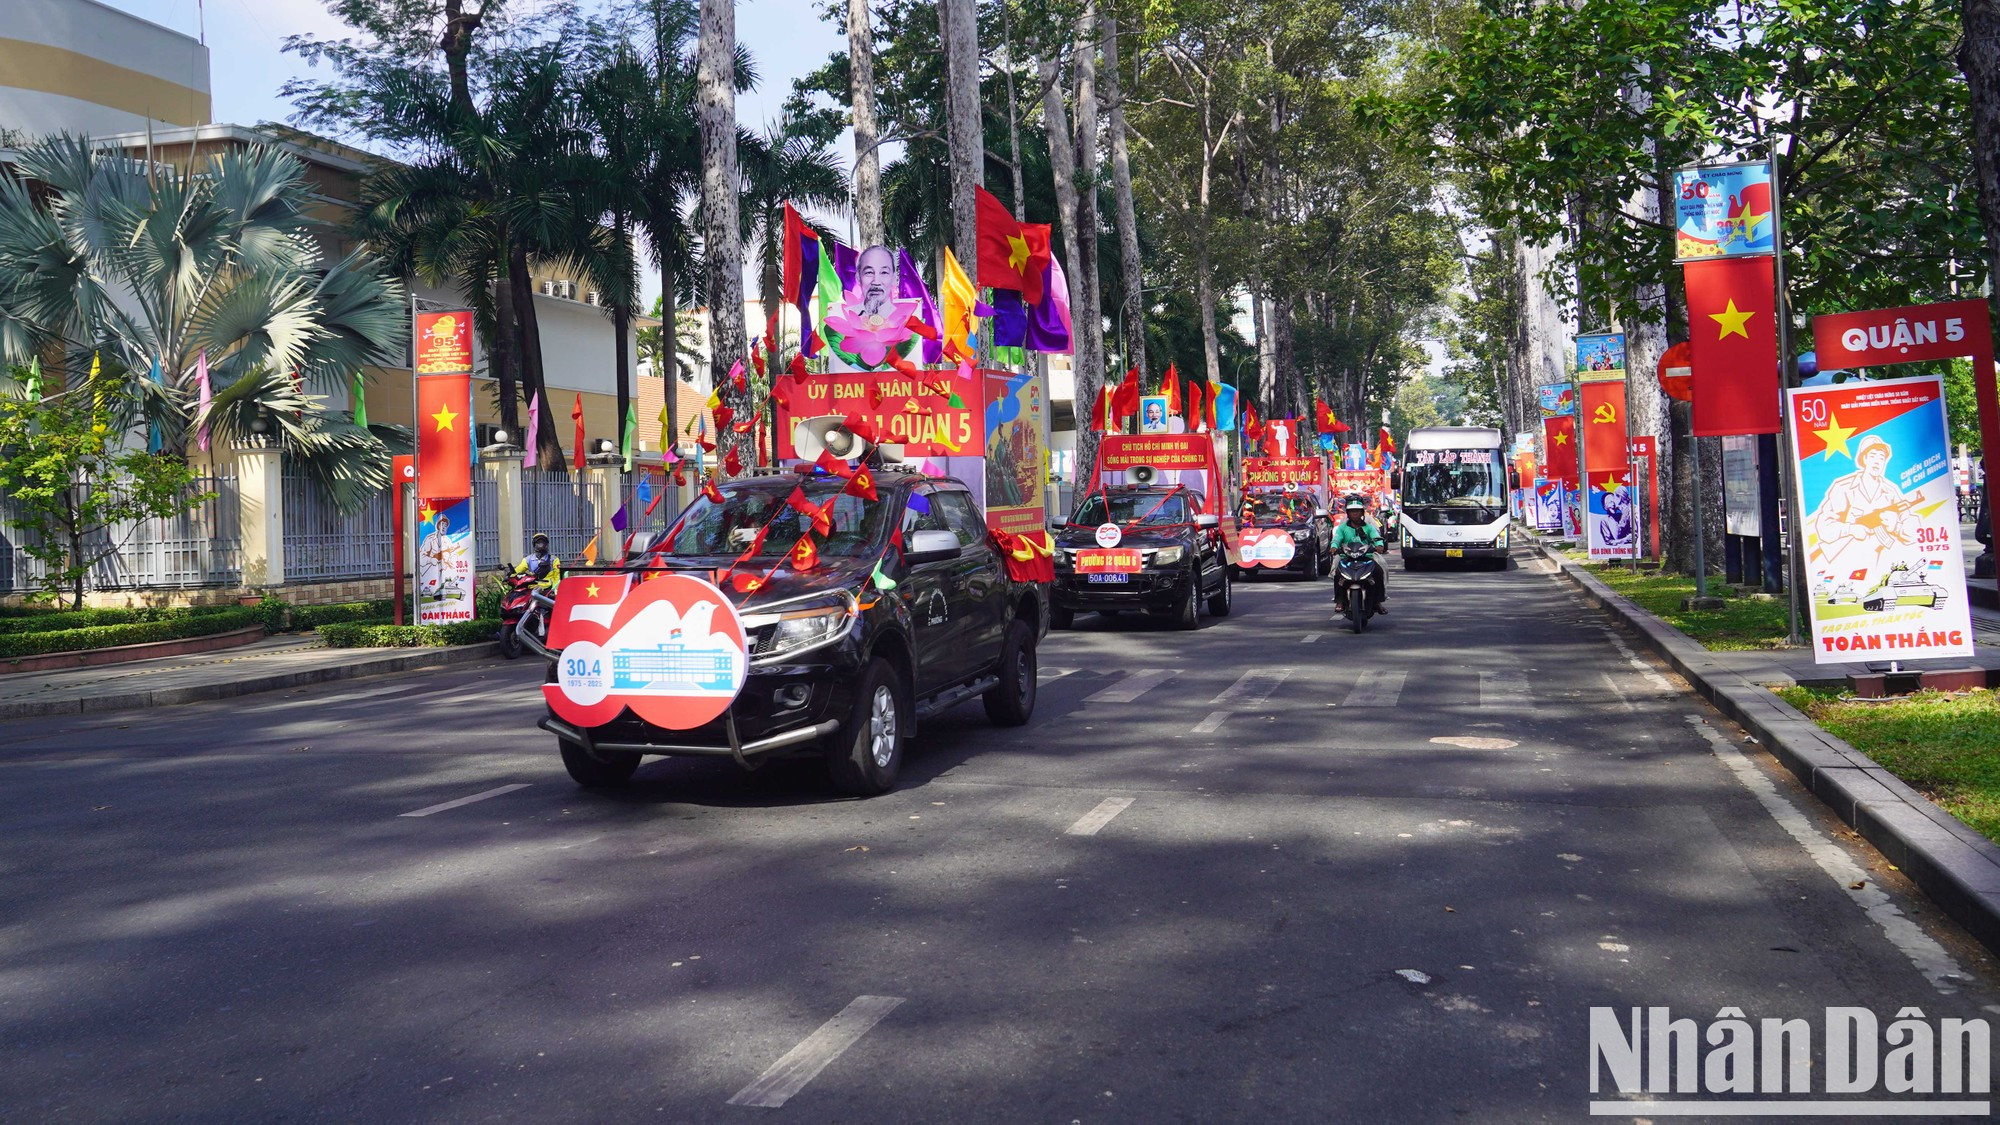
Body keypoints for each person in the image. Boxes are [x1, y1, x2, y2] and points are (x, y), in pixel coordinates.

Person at [1330, 495, 1387, 614]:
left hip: (1367, 557)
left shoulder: (1369, 527)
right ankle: (1339, 600)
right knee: (1337, 573)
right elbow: (1337, 538)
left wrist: (1379, 545)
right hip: (1346, 557)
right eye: (1352, 511)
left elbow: (1376, 537)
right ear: (1348, 513)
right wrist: (1334, 547)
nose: (1354, 514)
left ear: (1362, 513)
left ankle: (1377, 601)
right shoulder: (1342, 527)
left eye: (1357, 511)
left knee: (1379, 570)